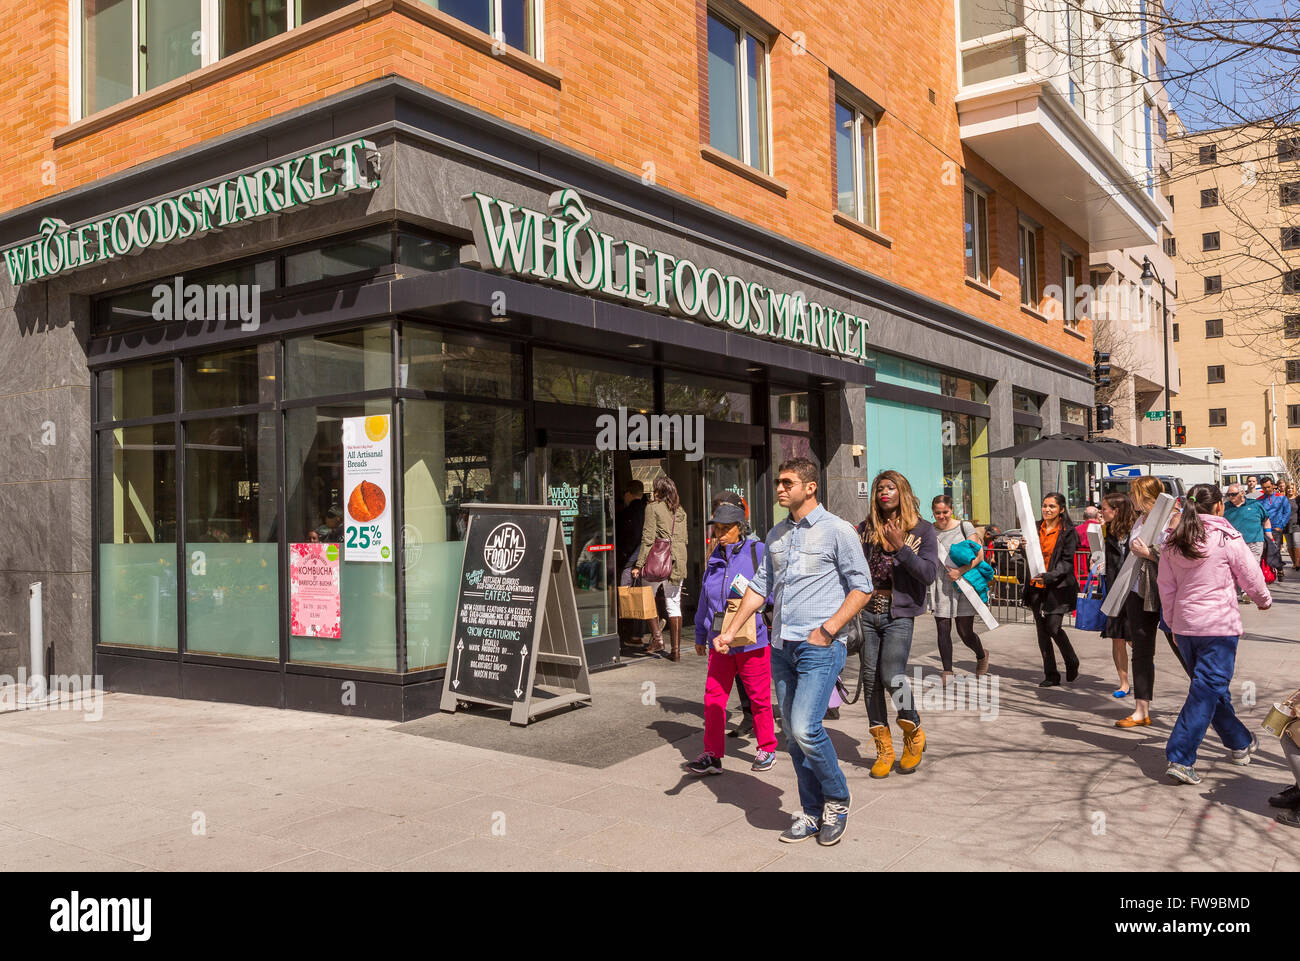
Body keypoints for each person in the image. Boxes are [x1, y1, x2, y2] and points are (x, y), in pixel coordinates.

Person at [714, 456, 872, 847]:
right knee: (791, 737)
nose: (780, 489)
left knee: (805, 728)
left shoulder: (838, 531)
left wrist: (828, 629)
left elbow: (862, 587)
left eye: (787, 482)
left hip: (820, 647)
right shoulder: (776, 534)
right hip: (781, 647)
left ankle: (837, 798)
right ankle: (812, 811)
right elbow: (758, 587)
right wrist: (729, 632)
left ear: (810, 486)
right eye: (779, 483)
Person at [1158, 484, 1272, 785]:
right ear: (1219, 507)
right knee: (1206, 690)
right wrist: (1263, 600)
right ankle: (1181, 757)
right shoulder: (1226, 537)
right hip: (1218, 626)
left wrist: (1171, 623)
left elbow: (1166, 589)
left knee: (1209, 689)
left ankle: (1240, 741)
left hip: (1185, 625)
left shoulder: (1173, 541)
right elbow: (1251, 575)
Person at [854, 472, 939, 778]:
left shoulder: (923, 530)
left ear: (902, 492)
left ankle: (913, 729)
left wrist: (901, 547)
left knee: (892, 676)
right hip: (866, 612)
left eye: (890, 488)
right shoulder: (865, 529)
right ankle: (884, 748)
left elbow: (929, 574)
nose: (884, 493)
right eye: (880, 489)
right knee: (870, 681)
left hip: (898, 614)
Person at [688, 502, 778, 775]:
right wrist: (700, 633)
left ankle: (767, 748)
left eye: (727, 528)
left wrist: (753, 604)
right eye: (717, 528)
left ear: (741, 528)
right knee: (713, 697)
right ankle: (712, 754)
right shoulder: (714, 556)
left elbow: (771, 590)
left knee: (759, 697)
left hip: (753, 639)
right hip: (720, 641)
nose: (720, 533)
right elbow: (705, 597)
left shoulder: (757, 551)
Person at [1115, 476, 1165, 728]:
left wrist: (1149, 553)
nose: (1130, 498)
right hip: (1137, 591)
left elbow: (1176, 554)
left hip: (1163, 591)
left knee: (1184, 650)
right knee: (1142, 650)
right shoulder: (1138, 520)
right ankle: (1141, 709)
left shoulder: (1169, 518)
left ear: (1146, 495)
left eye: (1133, 493)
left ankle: (1211, 703)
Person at [928, 495, 990, 686]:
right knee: (942, 627)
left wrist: (960, 571)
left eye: (945, 512)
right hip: (940, 583)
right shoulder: (930, 530)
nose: (941, 516)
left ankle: (981, 654)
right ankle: (947, 670)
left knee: (965, 631)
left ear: (951, 510)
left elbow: (979, 554)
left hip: (962, 583)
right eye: (937, 513)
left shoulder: (964, 527)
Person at [1021, 492, 1081, 688]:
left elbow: (1067, 562)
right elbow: (1030, 556)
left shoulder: (1068, 531)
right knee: (1041, 631)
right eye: (1045, 505)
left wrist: (1050, 575)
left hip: (1058, 586)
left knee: (1053, 627)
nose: (1047, 509)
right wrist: (1023, 548)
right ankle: (1051, 674)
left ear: (1061, 509)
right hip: (1036, 585)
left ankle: (1071, 660)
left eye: (1052, 506)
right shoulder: (1035, 528)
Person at [631, 477, 688, 660]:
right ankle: (676, 652)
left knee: (648, 598)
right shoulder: (680, 511)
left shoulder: (652, 508)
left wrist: (639, 564)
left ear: (658, 490)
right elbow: (684, 538)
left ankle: (657, 638)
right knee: (674, 604)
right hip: (678, 559)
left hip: (658, 559)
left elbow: (648, 538)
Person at [1099, 492, 1138, 699]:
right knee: (1117, 639)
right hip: (1114, 591)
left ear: (1116, 511)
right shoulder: (1106, 532)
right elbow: (1098, 555)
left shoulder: (1137, 530)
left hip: (1134, 592)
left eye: (1104, 508)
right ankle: (1124, 683)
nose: (1101, 511)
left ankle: (1142, 675)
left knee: (1134, 640)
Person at [1223, 483, 1273, 567]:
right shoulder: (1225, 507)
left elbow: (1266, 520)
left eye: (1233, 494)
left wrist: (1269, 535)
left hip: (1254, 542)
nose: (1230, 497)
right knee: (1237, 568)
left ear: (1242, 493)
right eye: (1228, 494)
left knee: (1252, 568)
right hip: (1233, 544)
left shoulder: (1255, 504)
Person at [1258, 478, 1292, 582]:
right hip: (1263, 529)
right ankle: (1267, 572)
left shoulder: (1282, 498)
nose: (1266, 489)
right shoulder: (1259, 500)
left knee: (1275, 549)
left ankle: (1279, 568)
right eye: (1264, 488)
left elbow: (1287, 512)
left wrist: (1281, 525)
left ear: (1273, 486)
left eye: (1268, 487)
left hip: (1276, 528)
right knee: (1264, 550)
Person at [1285, 483, 1300, 572]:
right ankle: (1294, 562)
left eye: (1292, 488)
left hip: (1296, 524)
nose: (1290, 490)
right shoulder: (1283, 499)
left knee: (1296, 542)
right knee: (1290, 545)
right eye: (1288, 488)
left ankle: (1298, 563)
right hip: (1286, 524)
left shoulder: (1297, 499)